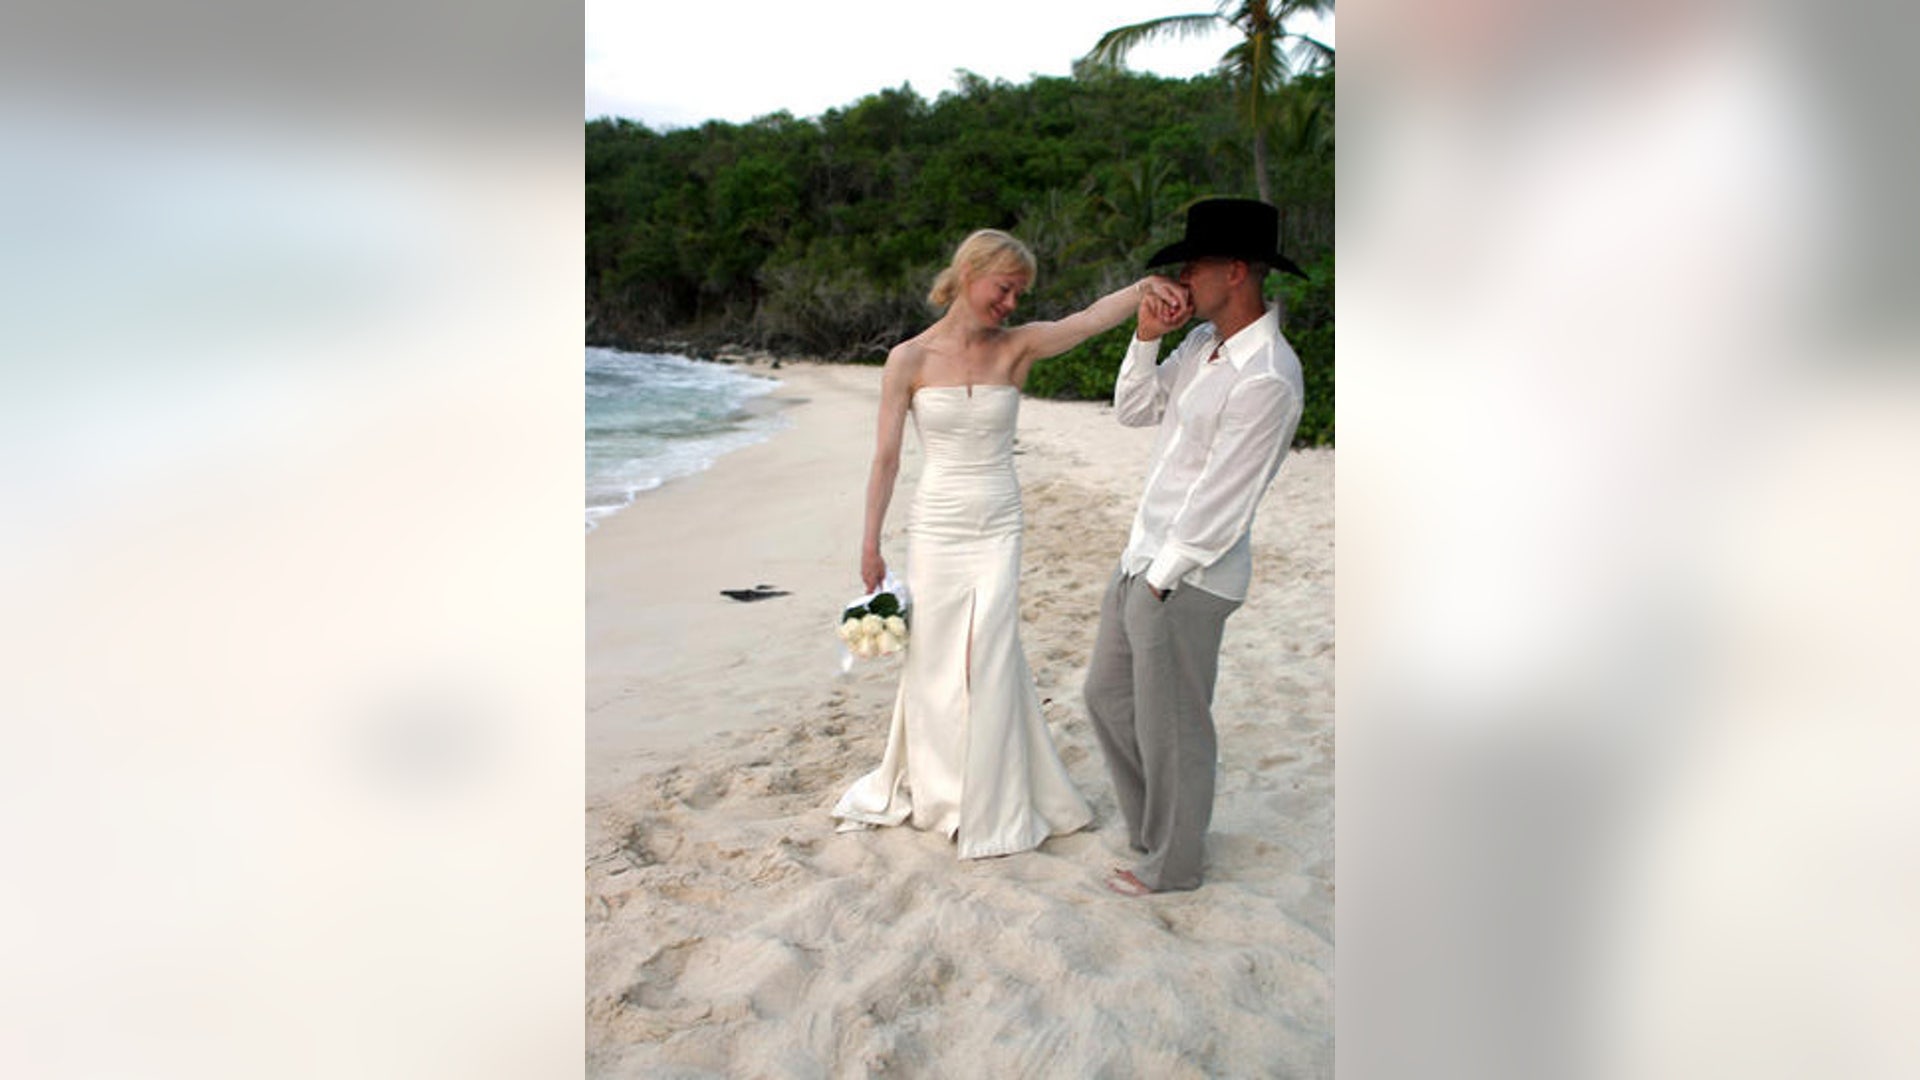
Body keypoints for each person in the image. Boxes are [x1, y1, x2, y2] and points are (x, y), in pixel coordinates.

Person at [832, 229, 1189, 859]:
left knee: (991, 650)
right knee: (937, 659)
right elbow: (886, 459)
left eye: (1019, 294)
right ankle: (943, 793)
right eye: (1005, 289)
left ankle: (989, 800)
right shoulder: (907, 361)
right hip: (936, 526)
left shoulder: (1017, 348)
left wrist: (1141, 289)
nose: (1011, 304)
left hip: (999, 523)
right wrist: (870, 544)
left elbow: (1084, 321)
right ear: (970, 273)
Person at [1083, 198, 1308, 895]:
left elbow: (1224, 498)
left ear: (1236, 272)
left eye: (1194, 265)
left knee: (1174, 725)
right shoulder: (1200, 347)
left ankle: (1174, 864)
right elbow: (1133, 409)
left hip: (1186, 576)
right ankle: (1155, 834)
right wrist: (1147, 336)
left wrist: (1162, 580)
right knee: (1105, 700)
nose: (1182, 279)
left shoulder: (1267, 372)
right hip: (1141, 556)